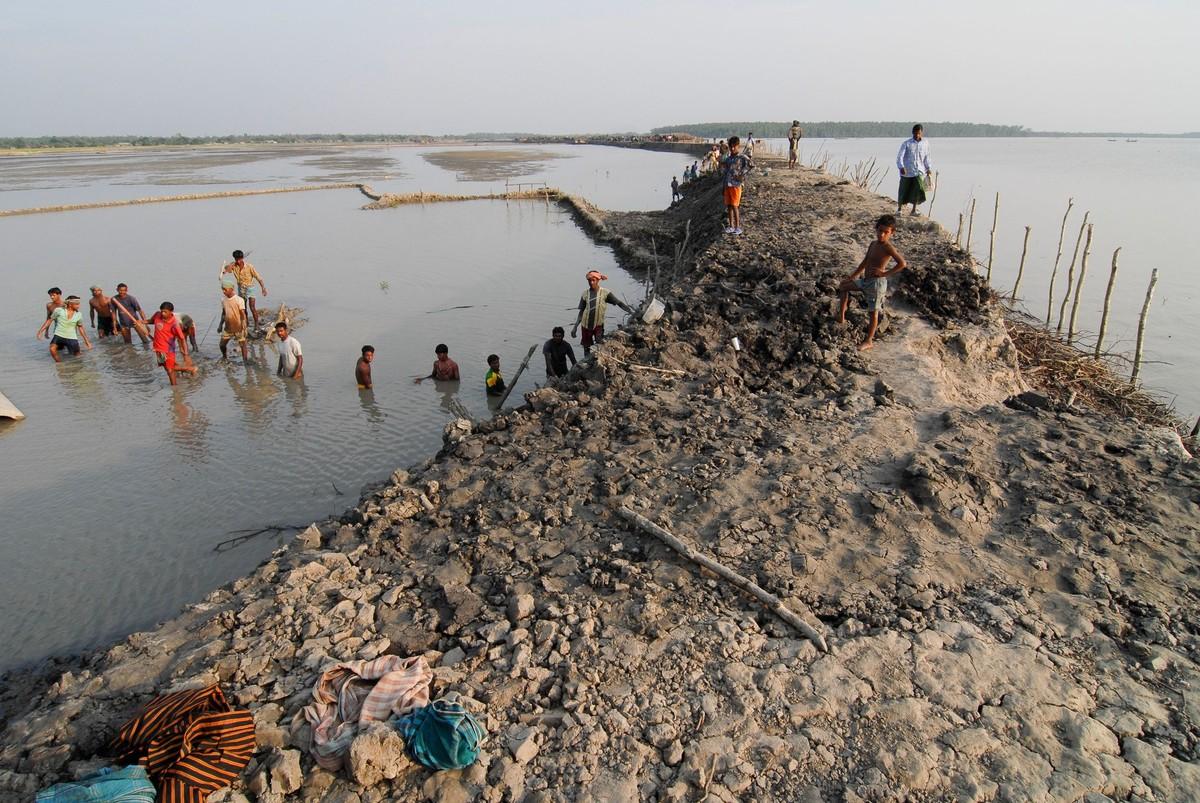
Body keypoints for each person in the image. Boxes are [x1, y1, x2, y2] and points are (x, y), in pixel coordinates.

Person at [837, 214, 908, 351]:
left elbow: (902, 263)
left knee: (873, 312)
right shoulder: (873, 244)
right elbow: (865, 261)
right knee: (843, 286)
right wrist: (853, 276)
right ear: (876, 229)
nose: (881, 235)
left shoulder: (888, 247)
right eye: (879, 231)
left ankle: (869, 340)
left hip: (877, 284)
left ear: (891, 233)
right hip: (866, 280)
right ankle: (841, 317)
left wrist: (884, 273)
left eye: (885, 232)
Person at [572, 270, 634, 355]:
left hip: (598, 325)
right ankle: (586, 363)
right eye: (589, 281)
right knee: (586, 347)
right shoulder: (585, 294)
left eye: (593, 280)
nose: (591, 282)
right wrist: (575, 327)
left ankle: (598, 359)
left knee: (599, 342)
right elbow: (581, 312)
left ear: (598, 280)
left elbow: (618, 302)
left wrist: (630, 312)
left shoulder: (605, 293)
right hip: (585, 325)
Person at [148, 301, 195, 385]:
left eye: (165, 312)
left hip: (168, 350)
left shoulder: (174, 325)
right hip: (158, 348)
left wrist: (186, 354)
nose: (163, 313)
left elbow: (182, 339)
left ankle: (175, 389)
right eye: (162, 311)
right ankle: (188, 370)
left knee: (170, 370)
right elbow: (152, 321)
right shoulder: (157, 315)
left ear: (171, 312)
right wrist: (141, 322)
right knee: (166, 367)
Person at [36, 294, 92, 362]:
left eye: (79, 304)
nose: (78, 306)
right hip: (59, 335)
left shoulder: (78, 315)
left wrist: (87, 341)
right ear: (70, 304)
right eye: (76, 304)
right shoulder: (59, 310)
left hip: (72, 338)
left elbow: (80, 328)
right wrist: (40, 331)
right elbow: (49, 320)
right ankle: (59, 364)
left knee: (78, 357)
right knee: (52, 349)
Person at [220, 249, 268, 327]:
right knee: (243, 308)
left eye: (239, 259)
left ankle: (256, 325)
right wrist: (230, 265)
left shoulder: (249, 266)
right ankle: (246, 324)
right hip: (241, 289)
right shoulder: (234, 266)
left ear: (242, 258)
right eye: (236, 260)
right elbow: (226, 270)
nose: (238, 261)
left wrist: (263, 288)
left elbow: (258, 278)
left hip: (250, 288)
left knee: (252, 307)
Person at [896, 124, 934, 215]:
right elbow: (899, 156)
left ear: (921, 133)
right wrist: (901, 167)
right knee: (903, 190)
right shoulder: (907, 143)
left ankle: (913, 210)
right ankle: (899, 209)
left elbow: (927, 157)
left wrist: (928, 168)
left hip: (919, 171)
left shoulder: (925, 143)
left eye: (919, 133)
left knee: (918, 190)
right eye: (915, 133)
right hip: (907, 171)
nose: (917, 135)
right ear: (913, 133)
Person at [722, 136, 753, 235]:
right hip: (728, 184)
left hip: (736, 185)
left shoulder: (741, 157)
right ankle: (731, 226)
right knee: (729, 206)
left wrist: (741, 175)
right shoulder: (728, 159)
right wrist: (723, 186)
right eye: (730, 147)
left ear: (738, 146)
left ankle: (737, 227)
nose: (732, 148)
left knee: (735, 206)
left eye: (734, 147)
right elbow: (726, 171)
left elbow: (751, 165)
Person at [218, 283, 250, 362]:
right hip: (228, 327)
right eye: (223, 289)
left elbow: (243, 314)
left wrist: (244, 327)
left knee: (243, 344)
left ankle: (245, 360)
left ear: (231, 289)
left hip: (238, 327)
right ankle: (225, 357)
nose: (223, 291)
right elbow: (224, 313)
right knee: (222, 345)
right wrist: (220, 325)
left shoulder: (239, 300)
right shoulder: (223, 299)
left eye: (225, 289)